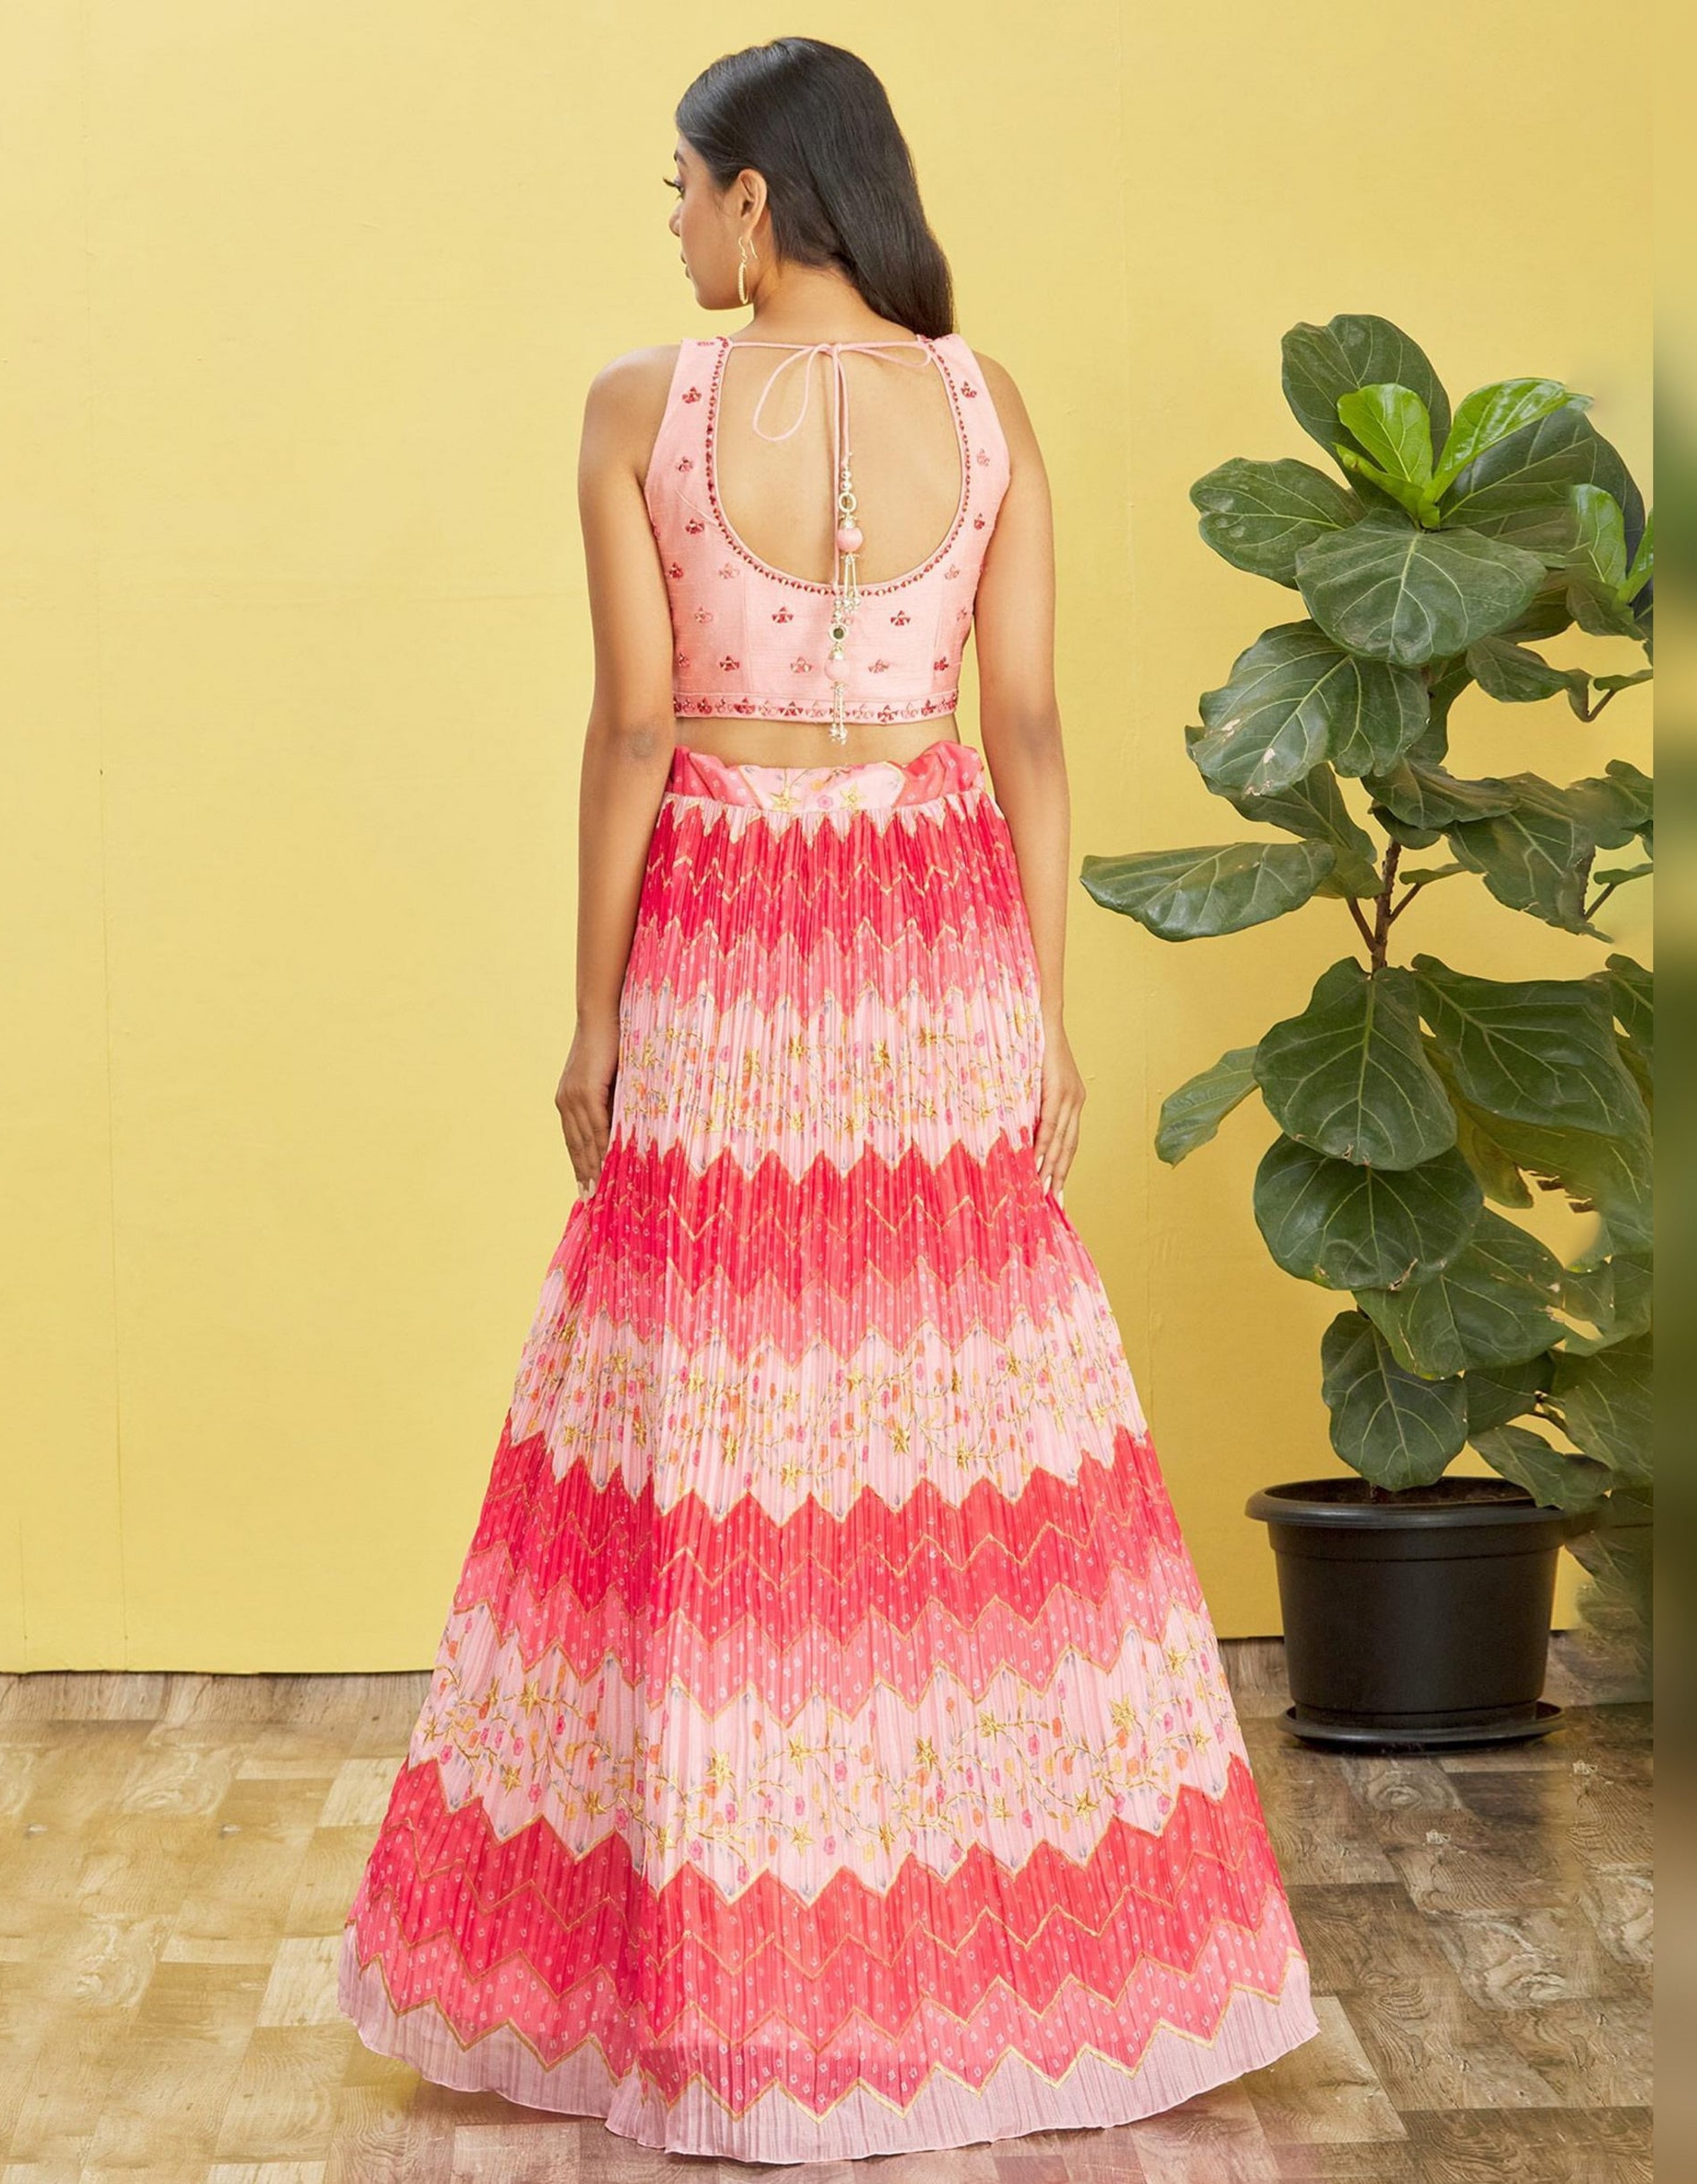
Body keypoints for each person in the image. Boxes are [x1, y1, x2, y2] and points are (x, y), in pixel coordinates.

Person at [337, 34, 1319, 2162]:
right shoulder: (986, 400)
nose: (670, 222)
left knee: (708, 1432)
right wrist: (1039, 1017)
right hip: (938, 931)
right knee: (956, 1447)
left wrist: (589, 1022)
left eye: (679, 188)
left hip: (721, 933)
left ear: (757, 200)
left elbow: (629, 732)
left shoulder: (640, 407)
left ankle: (716, 1969)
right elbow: (1031, 724)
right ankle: (986, 1971)